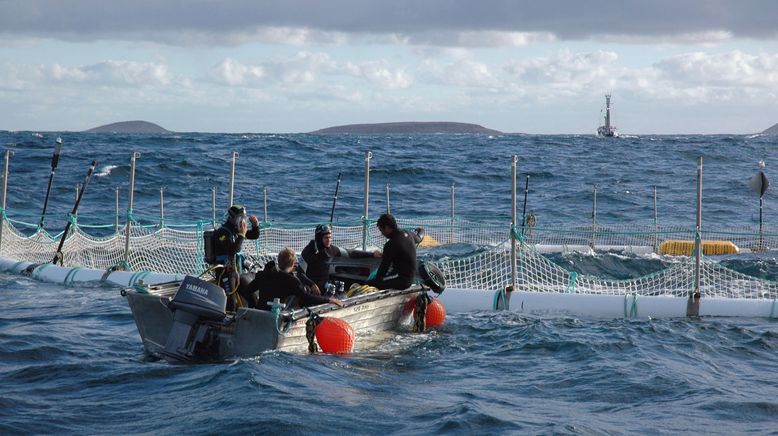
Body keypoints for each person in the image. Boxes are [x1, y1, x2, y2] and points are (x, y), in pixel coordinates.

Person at [244, 247, 343, 310]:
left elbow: (247, 291)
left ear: (278, 260)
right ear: (293, 263)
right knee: (304, 291)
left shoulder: (263, 274)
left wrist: (254, 306)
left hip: (260, 311)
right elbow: (307, 297)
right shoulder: (292, 281)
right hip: (278, 315)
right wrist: (328, 300)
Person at [301, 223, 381, 291]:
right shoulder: (307, 251)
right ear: (319, 238)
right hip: (311, 286)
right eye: (326, 238)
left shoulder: (331, 249)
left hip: (324, 285)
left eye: (330, 237)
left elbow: (350, 253)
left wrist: (372, 254)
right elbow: (300, 274)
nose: (329, 240)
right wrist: (312, 285)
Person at [212, 205, 259, 307]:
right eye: (240, 218)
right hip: (225, 272)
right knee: (231, 303)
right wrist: (241, 235)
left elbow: (254, 235)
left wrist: (255, 225)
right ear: (233, 218)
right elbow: (232, 250)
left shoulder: (236, 230)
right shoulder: (222, 232)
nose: (243, 220)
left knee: (253, 298)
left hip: (237, 271)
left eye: (244, 218)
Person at [367, 213, 422, 290]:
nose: (382, 233)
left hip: (403, 280)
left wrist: (377, 281)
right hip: (411, 277)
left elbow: (383, 269)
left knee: (370, 284)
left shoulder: (391, 244)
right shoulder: (408, 233)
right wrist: (421, 230)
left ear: (387, 228)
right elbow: (419, 238)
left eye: (381, 230)